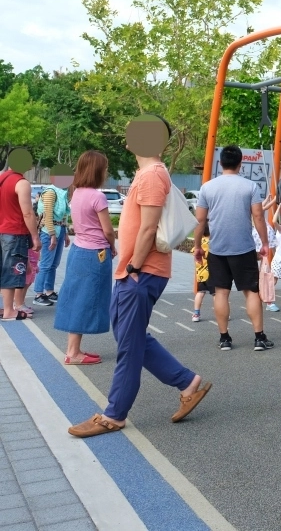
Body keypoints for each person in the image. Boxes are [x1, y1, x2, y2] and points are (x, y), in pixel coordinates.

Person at [69, 116, 211, 438]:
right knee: (130, 338)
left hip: (141, 271)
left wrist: (132, 266)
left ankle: (114, 414)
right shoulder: (148, 173)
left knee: (130, 346)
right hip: (135, 270)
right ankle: (188, 383)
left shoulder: (151, 175)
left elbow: (149, 227)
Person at [193, 145, 274, 352]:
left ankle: (224, 338)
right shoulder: (250, 186)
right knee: (251, 292)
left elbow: (200, 221)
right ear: (240, 164)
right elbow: (258, 217)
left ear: (221, 163)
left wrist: (197, 247)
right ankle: (258, 337)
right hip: (244, 248)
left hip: (217, 248)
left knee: (220, 293)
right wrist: (264, 244)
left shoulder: (207, 188)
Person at [54, 151, 114, 364]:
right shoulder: (97, 196)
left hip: (78, 251)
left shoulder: (76, 192)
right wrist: (113, 246)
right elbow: (107, 230)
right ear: (97, 170)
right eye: (105, 168)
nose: (106, 172)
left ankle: (73, 348)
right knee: (88, 299)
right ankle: (73, 353)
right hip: (95, 253)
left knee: (76, 297)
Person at [0, 148, 41, 322]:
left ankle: (5, 307)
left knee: (4, 268)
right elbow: (28, 213)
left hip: (2, 229)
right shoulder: (21, 183)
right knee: (13, 270)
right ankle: (9, 310)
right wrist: (35, 237)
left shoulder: (1, 178)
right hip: (15, 232)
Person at [33, 164, 73, 306]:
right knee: (45, 264)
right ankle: (38, 293)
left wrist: (66, 233)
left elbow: (64, 216)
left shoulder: (62, 192)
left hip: (60, 230)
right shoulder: (51, 192)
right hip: (48, 231)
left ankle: (49, 291)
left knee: (54, 264)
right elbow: (48, 216)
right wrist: (52, 235)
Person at [193, 225, 213, 322]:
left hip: (200, 273)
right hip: (211, 273)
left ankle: (196, 314)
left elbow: (194, 252)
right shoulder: (212, 243)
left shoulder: (199, 243)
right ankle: (221, 313)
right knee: (216, 294)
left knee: (200, 293)